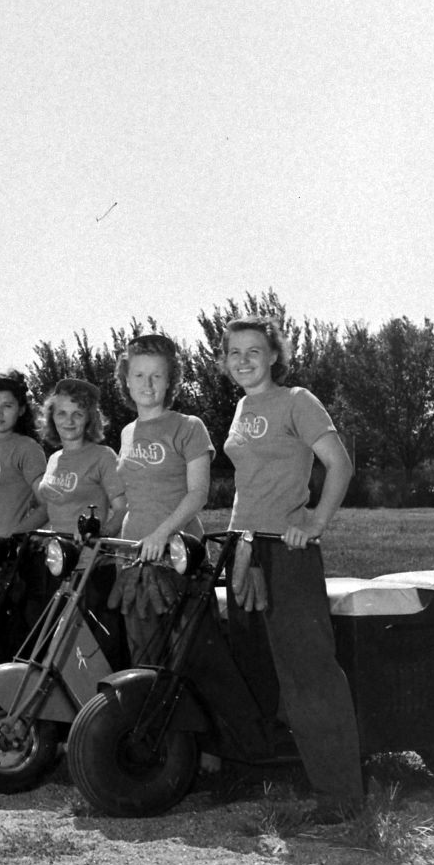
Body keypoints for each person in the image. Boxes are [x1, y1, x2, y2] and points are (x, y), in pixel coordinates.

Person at [221, 316, 362, 818]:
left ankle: (341, 797)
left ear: (274, 355)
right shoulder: (241, 407)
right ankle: (264, 771)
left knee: (310, 674)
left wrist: (316, 519)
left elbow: (339, 463)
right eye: (234, 352)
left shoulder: (297, 400)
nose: (244, 360)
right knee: (254, 664)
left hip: (287, 551)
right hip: (245, 549)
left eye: (254, 351)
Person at [114, 334, 213, 658]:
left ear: (170, 380)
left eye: (157, 375)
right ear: (126, 380)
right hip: (133, 556)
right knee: (142, 652)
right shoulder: (127, 432)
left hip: (178, 557)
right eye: (139, 375)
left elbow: (198, 494)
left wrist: (162, 533)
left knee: (184, 656)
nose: (148, 384)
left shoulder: (188, 426)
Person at [0, 370, 49, 649]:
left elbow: (46, 504)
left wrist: (15, 536)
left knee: (14, 638)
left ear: (22, 410)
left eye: (7, 405)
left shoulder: (28, 449)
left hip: (16, 560)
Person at [36, 378, 126, 538]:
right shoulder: (54, 459)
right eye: (61, 413)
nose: (69, 421)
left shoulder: (103, 456)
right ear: (52, 417)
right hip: (56, 556)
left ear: (89, 418)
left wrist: (101, 533)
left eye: (77, 414)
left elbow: (123, 509)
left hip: (89, 559)